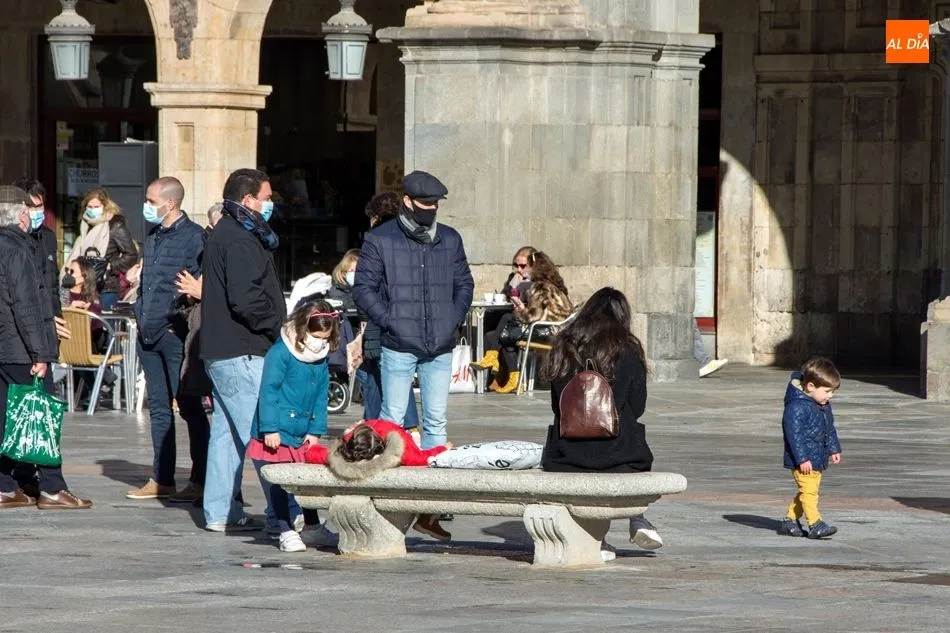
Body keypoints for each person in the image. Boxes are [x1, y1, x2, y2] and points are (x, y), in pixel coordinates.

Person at [352, 172, 474, 450]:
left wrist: (451, 319)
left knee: (436, 420)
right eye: (426, 203)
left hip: (439, 343)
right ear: (407, 201)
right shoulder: (380, 239)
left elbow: (464, 282)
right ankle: (389, 480)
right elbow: (363, 289)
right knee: (392, 420)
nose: (432, 209)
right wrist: (390, 321)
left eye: (436, 204)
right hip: (398, 343)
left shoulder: (450, 238)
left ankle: (433, 481)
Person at [540, 287, 662, 560]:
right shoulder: (627, 349)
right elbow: (637, 407)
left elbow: (555, 406)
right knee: (633, 443)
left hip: (566, 455)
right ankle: (637, 517)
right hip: (620, 455)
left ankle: (602, 538)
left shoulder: (563, 345)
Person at [201, 168, 285, 532]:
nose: (270, 205)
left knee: (226, 436)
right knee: (263, 432)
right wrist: (278, 326)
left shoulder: (230, 233)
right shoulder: (238, 238)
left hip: (225, 349)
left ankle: (219, 512)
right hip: (242, 350)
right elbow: (246, 299)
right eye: (267, 198)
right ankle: (285, 512)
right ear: (249, 200)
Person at [0, 185, 91, 510]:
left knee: (5, 416)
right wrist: (40, 353)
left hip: (4, 347)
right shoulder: (18, 249)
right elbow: (25, 304)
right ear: (21, 214)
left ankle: (5, 485)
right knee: (43, 414)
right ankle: (52, 486)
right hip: (20, 348)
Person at [127, 177, 209, 504]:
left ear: (170, 203)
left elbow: (199, 285)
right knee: (160, 409)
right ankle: (162, 478)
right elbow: (150, 280)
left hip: (175, 332)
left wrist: (180, 319)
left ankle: (201, 479)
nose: (146, 206)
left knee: (190, 406)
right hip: (149, 331)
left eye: (151, 200)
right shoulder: (154, 236)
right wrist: (139, 308)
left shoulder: (195, 237)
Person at [247, 298, 342, 552]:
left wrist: (315, 429)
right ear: (303, 327)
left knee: (304, 480)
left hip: (302, 431)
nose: (320, 341)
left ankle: (311, 526)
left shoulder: (320, 355)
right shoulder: (280, 352)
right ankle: (285, 529)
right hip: (277, 429)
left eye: (325, 337)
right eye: (316, 335)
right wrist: (270, 428)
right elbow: (269, 391)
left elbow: (322, 393)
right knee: (279, 480)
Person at [305, 419, 453, 539]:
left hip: (382, 432)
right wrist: (443, 449)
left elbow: (314, 454)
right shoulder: (349, 447)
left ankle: (427, 518)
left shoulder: (400, 448)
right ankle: (427, 519)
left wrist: (444, 448)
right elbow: (423, 458)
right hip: (369, 433)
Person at [356, 194, 421, 438]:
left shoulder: (376, 241)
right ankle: (407, 427)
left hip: (381, 320)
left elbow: (365, 287)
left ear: (376, 216)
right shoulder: (414, 240)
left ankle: (379, 430)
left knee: (378, 376)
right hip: (407, 321)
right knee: (397, 376)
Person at [471, 251, 572, 393]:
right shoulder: (553, 285)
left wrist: (520, 306)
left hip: (548, 332)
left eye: (527, 266)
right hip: (557, 330)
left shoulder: (540, 287)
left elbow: (533, 316)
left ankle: (496, 362)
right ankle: (503, 371)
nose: (523, 270)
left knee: (506, 326)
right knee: (505, 334)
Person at [778, 357, 842, 539]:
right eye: (827, 391)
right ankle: (815, 523)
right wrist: (802, 459)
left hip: (818, 456)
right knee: (810, 492)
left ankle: (789, 520)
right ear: (811, 387)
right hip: (803, 459)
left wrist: (834, 449)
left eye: (832, 392)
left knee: (807, 491)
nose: (830, 396)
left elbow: (829, 428)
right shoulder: (796, 407)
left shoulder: (822, 405)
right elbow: (794, 436)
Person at [13, 178, 70, 343]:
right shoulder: (9, 240)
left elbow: (52, 284)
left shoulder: (49, 237)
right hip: (21, 330)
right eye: (31, 206)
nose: (36, 212)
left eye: (40, 206)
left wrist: (56, 316)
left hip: (49, 326)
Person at [66, 187, 137, 310]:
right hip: (86, 286)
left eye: (96, 206)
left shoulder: (115, 225)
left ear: (105, 206)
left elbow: (131, 254)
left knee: (102, 324)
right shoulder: (85, 225)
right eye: (90, 207)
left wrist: (110, 266)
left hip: (106, 286)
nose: (93, 210)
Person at [328, 249, 360, 314]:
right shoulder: (335, 290)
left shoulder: (372, 291)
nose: (355, 274)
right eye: (351, 270)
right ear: (344, 271)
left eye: (358, 271)